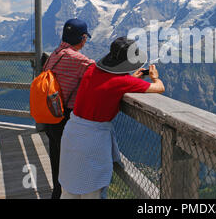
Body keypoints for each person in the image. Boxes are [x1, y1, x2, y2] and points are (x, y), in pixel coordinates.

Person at [58, 37, 165, 199]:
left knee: (69, 189)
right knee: (92, 191)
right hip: (92, 142)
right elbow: (159, 88)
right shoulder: (123, 81)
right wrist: (154, 76)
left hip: (72, 134)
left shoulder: (92, 70)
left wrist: (132, 79)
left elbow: (106, 87)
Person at [42, 18, 95, 199]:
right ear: (82, 38)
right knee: (72, 172)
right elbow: (101, 75)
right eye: (85, 37)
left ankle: (56, 195)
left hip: (50, 117)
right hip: (65, 120)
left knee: (57, 164)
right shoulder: (79, 59)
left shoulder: (55, 54)